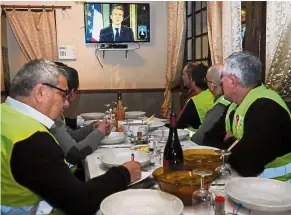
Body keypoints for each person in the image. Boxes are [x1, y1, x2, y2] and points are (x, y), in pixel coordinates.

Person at [1, 59, 141, 215]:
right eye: (62, 94)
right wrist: (124, 174)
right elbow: (80, 202)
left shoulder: (5, 114)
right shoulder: (31, 139)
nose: (66, 104)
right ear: (40, 92)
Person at [203, 52, 291, 181]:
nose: (220, 81)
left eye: (223, 77)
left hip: (278, 188)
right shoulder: (234, 105)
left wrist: (228, 140)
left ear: (233, 81)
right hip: (249, 184)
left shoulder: (267, 108)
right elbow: (208, 140)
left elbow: (247, 165)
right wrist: (236, 145)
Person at [50, 63, 110, 179]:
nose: (66, 104)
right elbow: (76, 153)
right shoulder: (50, 116)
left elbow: (71, 135)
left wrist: (93, 127)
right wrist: (100, 132)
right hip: (62, 178)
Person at [191, 64, 231, 145]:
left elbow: (199, 138)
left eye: (207, 81)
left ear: (212, 85)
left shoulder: (220, 105)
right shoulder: (232, 99)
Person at [177, 63, 214, 130]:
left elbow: (179, 126)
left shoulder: (194, 100)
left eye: (183, 74)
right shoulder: (214, 94)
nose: (182, 77)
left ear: (191, 77)